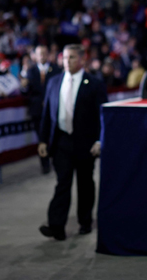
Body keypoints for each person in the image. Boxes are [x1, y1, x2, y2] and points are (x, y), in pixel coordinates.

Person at [37, 44, 107, 240]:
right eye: (65, 58)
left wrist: (99, 141)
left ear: (82, 60)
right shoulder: (53, 82)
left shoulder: (94, 83)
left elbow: (103, 116)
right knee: (62, 183)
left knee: (85, 184)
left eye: (72, 58)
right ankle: (56, 226)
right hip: (61, 142)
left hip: (85, 143)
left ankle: (85, 222)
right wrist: (43, 140)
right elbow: (47, 115)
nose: (67, 62)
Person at [24, 45, 61, 174]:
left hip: (53, 109)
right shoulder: (31, 71)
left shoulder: (56, 69)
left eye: (44, 53)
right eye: (39, 53)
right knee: (41, 137)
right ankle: (44, 164)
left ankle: (55, 160)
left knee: (54, 135)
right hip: (37, 110)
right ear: (35, 55)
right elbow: (27, 90)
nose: (42, 56)